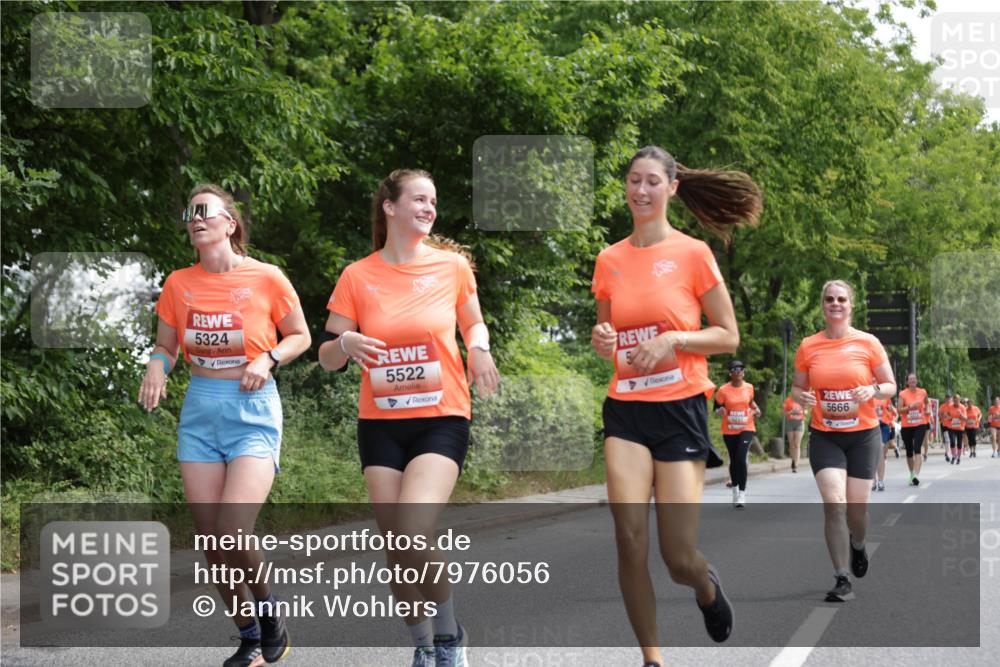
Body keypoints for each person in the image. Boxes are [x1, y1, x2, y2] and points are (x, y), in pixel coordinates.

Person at [318, 169, 499, 667]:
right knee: (396, 546)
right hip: (380, 423)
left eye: (433, 201)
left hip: (441, 416)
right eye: (419, 199)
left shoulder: (452, 267)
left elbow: (473, 322)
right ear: (390, 206)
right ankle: (422, 645)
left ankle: (449, 638)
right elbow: (327, 356)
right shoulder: (358, 276)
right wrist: (344, 342)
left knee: (413, 531)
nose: (429, 208)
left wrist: (479, 349)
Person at [591, 145, 761, 666]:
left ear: (671, 188)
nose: (640, 190)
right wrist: (602, 341)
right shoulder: (609, 259)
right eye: (633, 180)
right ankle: (652, 659)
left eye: (651, 181)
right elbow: (609, 338)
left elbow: (728, 336)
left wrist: (674, 339)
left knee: (677, 556)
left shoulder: (692, 253)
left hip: (680, 408)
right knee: (628, 537)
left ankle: (705, 587)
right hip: (625, 408)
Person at [139, 184, 311, 667]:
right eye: (190, 213)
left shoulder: (267, 277)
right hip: (201, 410)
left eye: (205, 212)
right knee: (211, 541)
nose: (196, 219)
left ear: (229, 225)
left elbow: (300, 336)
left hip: (252, 408)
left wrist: (269, 357)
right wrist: (156, 367)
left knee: (233, 529)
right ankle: (249, 635)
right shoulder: (179, 283)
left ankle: (271, 615)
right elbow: (166, 347)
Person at [791, 280, 896, 603]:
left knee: (857, 512)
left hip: (863, 436)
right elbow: (797, 387)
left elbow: (890, 385)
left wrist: (872, 390)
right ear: (823, 305)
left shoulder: (868, 343)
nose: (835, 303)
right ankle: (841, 577)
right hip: (826, 436)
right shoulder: (809, 346)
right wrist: (802, 397)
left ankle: (858, 544)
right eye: (829, 299)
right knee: (834, 504)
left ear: (851, 306)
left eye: (841, 299)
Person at [715, 360, 761, 507]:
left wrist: (756, 410)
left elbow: (751, 403)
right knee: (734, 460)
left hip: (746, 427)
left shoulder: (749, 387)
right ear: (730, 373)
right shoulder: (723, 390)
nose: (739, 371)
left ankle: (742, 493)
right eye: (735, 369)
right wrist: (720, 411)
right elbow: (716, 407)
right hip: (729, 429)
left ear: (744, 372)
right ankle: (735, 488)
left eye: (741, 369)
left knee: (741, 458)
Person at [896, 373, 929, 485]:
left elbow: (927, 403)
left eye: (914, 379)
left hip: (920, 424)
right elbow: (899, 410)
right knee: (909, 451)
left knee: (917, 448)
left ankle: (916, 475)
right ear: (907, 382)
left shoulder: (923, 392)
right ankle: (911, 473)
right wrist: (911, 406)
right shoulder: (903, 394)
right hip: (907, 425)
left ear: (917, 381)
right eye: (910, 379)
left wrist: (928, 409)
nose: (912, 381)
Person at [872, 398, 895, 491]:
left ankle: (880, 481)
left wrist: (890, 409)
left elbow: (893, 411)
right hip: (871, 425)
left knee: (880, 450)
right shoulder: (868, 396)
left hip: (883, 426)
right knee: (872, 452)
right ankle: (873, 481)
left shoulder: (886, 398)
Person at [783, 394, 807, 472]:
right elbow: (784, 413)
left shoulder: (802, 400)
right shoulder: (788, 400)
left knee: (797, 444)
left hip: (800, 423)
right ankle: (793, 460)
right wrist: (792, 412)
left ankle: (795, 465)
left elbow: (806, 411)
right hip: (790, 423)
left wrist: (803, 411)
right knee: (791, 444)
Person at [942, 394, 967, 465]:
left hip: (960, 427)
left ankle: (958, 457)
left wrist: (961, 414)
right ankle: (953, 456)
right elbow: (946, 415)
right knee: (952, 442)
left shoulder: (962, 407)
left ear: (959, 400)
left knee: (959, 443)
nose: (956, 402)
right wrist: (948, 417)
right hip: (952, 427)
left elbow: (965, 418)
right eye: (955, 400)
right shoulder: (950, 407)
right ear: (953, 400)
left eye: (957, 400)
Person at [939, 395, 952, 462]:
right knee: (947, 438)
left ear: (951, 399)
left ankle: (950, 452)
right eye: (946, 399)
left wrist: (950, 416)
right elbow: (939, 415)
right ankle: (947, 453)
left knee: (951, 439)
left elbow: (956, 415)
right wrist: (942, 415)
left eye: (949, 399)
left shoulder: (953, 406)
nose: (948, 400)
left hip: (952, 425)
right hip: (944, 424)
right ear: (945, 399)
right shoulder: (942, 406)